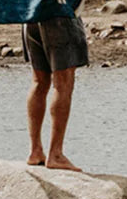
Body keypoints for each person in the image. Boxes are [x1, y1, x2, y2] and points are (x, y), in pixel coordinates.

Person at [23, 15, 88, 170]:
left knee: (39, 82)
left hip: (31, 15)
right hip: (59, 14)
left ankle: (35, 151)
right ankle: (56, 154)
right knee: (63, 84)